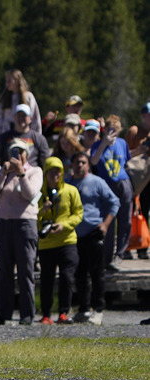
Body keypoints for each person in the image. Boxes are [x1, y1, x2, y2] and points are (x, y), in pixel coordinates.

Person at [0, 139, 43, 325]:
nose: (16, 156)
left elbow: (30, 194)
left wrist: (21, 173)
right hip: (3, 224)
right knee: (3, 270)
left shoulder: (35, 171)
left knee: (25, 270)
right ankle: (3, 313)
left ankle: (27, 314)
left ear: (27, 154)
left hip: (25, 224)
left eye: (20, 152)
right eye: (13, 152)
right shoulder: (4, 172)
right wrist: (3, 173)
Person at [67, 152, 119, 325]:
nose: (80, 165)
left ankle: (98, 309)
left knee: (97, 273)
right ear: (72, 165)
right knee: (80, 274)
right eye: (76, 162)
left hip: (93, 232)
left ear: (88, 165)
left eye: (83, 162)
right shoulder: (67, 183)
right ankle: (83, 309)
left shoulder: (97, 182)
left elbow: (114, 202)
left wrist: (106, 224)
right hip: (73, 235)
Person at [37, 157, 83, 325]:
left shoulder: (71, 191)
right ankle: (46, 315)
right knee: (46, 279)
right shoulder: (38, 194)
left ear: (62, 173)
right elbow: (32, 216)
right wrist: (43, 210)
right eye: (51, 171)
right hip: (46, 243)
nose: (54, 174)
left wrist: (64, 225)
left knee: (66, 277)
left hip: (66, 241)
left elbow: (78, 214)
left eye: (58, 171)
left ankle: (63, 312)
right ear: (45, 173)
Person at [90, 115, 132, 270]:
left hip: (123, 183)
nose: (112, 133)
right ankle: (106, 257)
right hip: (106, 186)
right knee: (108, 221)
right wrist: (104, 143)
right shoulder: (97, 145)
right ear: (105, 130)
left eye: (115, 130)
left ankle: (119, 254)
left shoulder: (122, 143)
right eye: (109, 130)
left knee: (125, 220)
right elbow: (93, 161)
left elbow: (127, 161)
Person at [0, 104, 49, 180]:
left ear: (30, 118)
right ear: (14, 118)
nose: (21, 118)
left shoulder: (39, 138)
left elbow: (46, 163)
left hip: (31, 178)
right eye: (19, 115)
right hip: (7, 180)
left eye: (24, 115)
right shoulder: (3, 137)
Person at [124, 102, 150, 260]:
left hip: (148, 178)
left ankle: (142, 246)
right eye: (147, 115)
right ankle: (126, 246)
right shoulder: (134, 131)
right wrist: (140, 150)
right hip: (134, 178)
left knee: (144, 212)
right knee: (128, 213)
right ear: (142, 116)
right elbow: (124, 155)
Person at [0, 69, 42, 140]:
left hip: (26, 137)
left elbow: (35, 119)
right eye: (6, 81)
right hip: (7, 138)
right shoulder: (3, 99)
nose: (7, 83)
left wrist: (36, 138)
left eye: (10, 80)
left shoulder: (28, 97)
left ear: (18, 81)